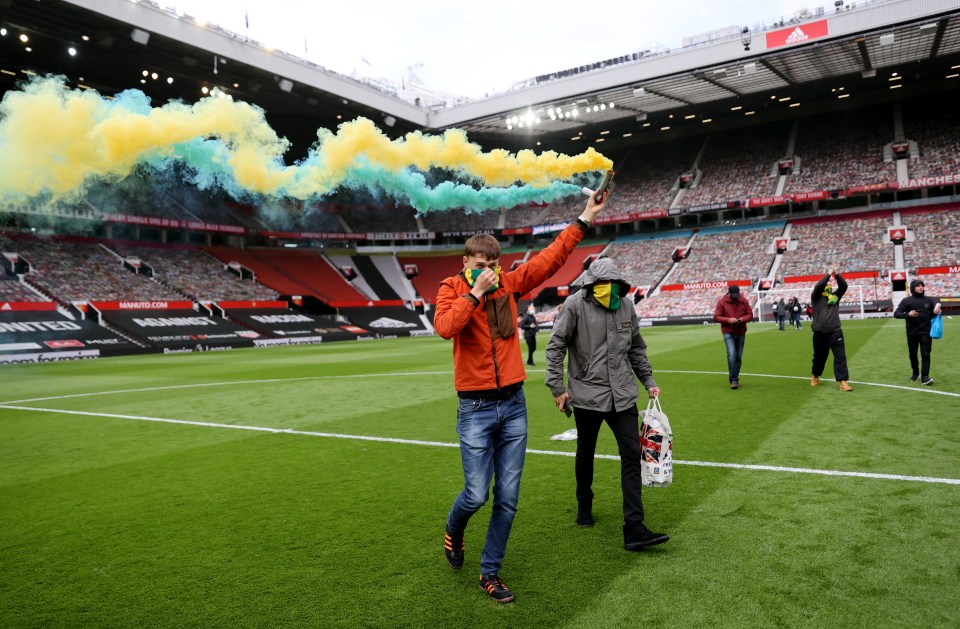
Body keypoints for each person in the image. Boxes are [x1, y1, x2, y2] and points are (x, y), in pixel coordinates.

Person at [434, 192, 607, 604]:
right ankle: (454, 531)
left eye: (493, 266)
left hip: (512, 404)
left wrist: (584, 218)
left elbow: (549, 260)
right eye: (481, 267)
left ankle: (489, 573)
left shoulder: (509, 284)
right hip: (475, 407)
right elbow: (444, 327)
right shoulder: (452, 288)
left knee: (507, 500)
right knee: (476, 494)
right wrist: (475, 293)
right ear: (466, 264)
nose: (489, 273)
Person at [544, 257, 669, 551]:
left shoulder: (626, 305)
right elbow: (555, 345)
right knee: (585, 451)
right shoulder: (575, 304)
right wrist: (557, 388)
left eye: (612, 284)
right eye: (602, 284)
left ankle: (634, 527)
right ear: (590, 283)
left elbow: (636, 347)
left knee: (631, 455)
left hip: (623, 394)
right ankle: (584, 504)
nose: (607, 289)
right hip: (587, 394)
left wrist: (648, 380)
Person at [810, 267, 853, 391]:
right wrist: (828, 274)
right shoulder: (816, 297)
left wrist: (837, 274)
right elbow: (818, 286)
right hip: (820, 333)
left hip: (835, 331)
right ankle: (815, 375)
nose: (828, 284)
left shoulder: (835, 296)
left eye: (830, 283)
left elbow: (844, 286)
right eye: (827, 283)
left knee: (840, 357)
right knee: (819, 357)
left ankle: (843, 382)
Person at [893, 279, 941, 385]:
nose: (920, 287)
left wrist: (936, 312)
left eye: (922, 285)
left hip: (926, 332)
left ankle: (925, 377)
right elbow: (896, 314)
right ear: (913, 287)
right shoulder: (906, 301)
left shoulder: (929, 300)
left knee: (926, 354)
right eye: (918, 285)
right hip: (912, 332)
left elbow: (932, 315)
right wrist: (908, 314)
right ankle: (915, 373)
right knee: (913, 354)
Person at [713, 285, 753, 390]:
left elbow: (750, 315)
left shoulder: (743, 301)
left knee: (738, 357)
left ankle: (734, 378)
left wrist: (742, 319)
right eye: (733, 295)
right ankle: (734, 379)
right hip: (728, 332)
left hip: (740, 331)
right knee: (731, 353)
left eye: (737, 295)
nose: (736, 297)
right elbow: (716, 317)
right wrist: (728, 320)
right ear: (729, 293)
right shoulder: (722, 302)